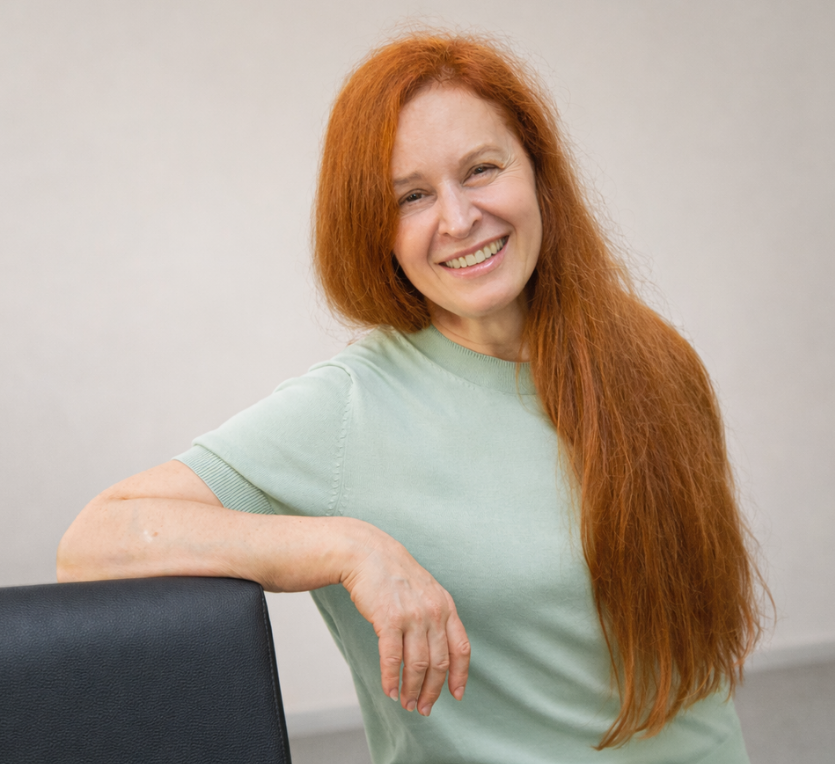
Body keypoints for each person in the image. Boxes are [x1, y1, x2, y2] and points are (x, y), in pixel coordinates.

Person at [58, 31, 766, 763]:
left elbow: (692, 676)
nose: (459, 219)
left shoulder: (655, 357)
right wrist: (349, 548)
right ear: (377, 230)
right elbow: (94, 543)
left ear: (538, 174)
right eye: (413, 196)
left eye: (482, 169)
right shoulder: (348, 410)